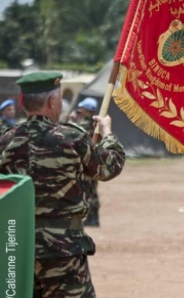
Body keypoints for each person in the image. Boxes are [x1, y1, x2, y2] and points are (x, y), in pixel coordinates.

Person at [0, 72, 126, 297]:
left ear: (21, 102)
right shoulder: (72, 138)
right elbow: (110, 167)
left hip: (17, 249)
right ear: (52, 102)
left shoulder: (6, 141)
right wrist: (107, 133)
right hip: (63, 249)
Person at [69, 97, 101, 227]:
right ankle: (93, 217)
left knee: (89, 190)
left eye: (81, 109)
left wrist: (71, 121)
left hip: (87, 161)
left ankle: (93, 218)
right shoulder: (95, 123)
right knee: (91, 189)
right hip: (94, 160)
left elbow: (74, 135)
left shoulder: (86, 124)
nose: (79, 111)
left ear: (86, 110)